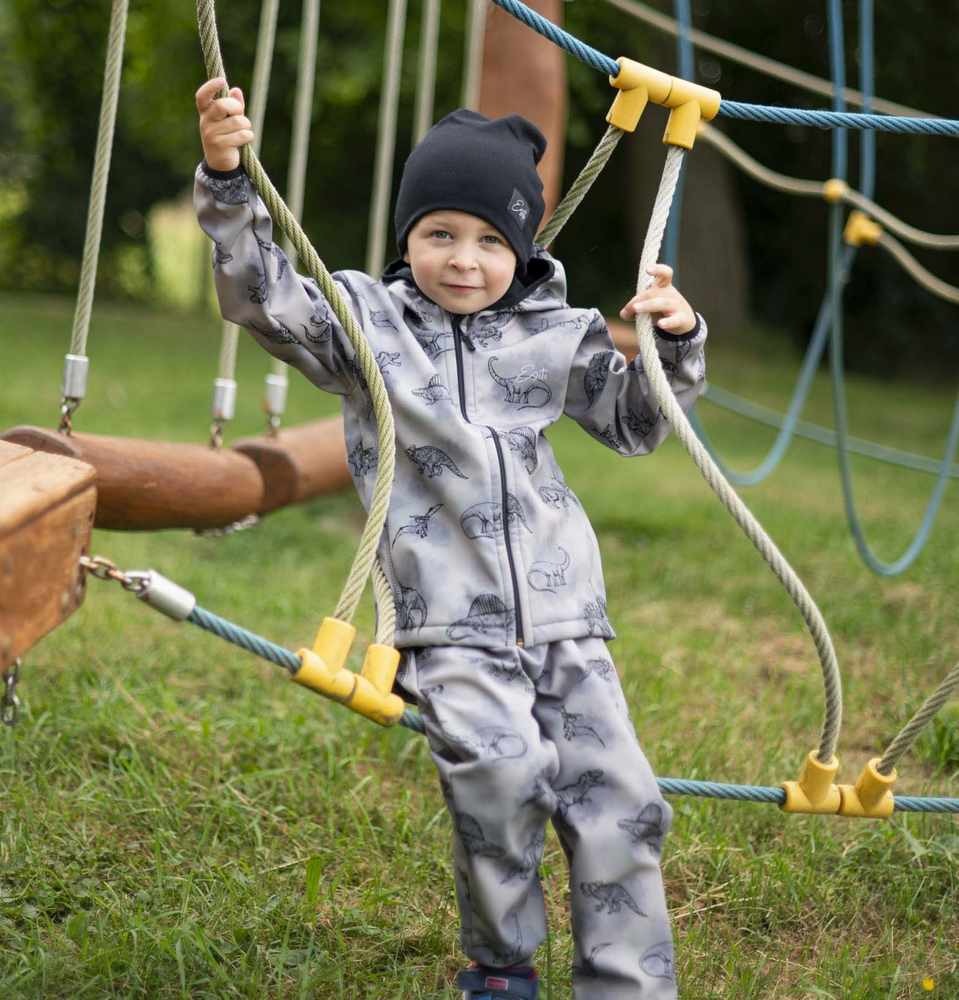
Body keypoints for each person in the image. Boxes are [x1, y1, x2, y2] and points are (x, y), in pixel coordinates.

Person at [194, 75, 705, 1000]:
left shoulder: (557, 334)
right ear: (406, 241)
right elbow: (261, 295)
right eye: (438, 235)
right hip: (448, 625)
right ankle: (503, 967)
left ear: (521, 248)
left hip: (567, 621)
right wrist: (229, 178)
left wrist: (670, 344)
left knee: (622, 803)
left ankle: (627, 987)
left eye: (487, 240)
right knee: (501, 776)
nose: (462, 260)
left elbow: (635, 424)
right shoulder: (368, 326)